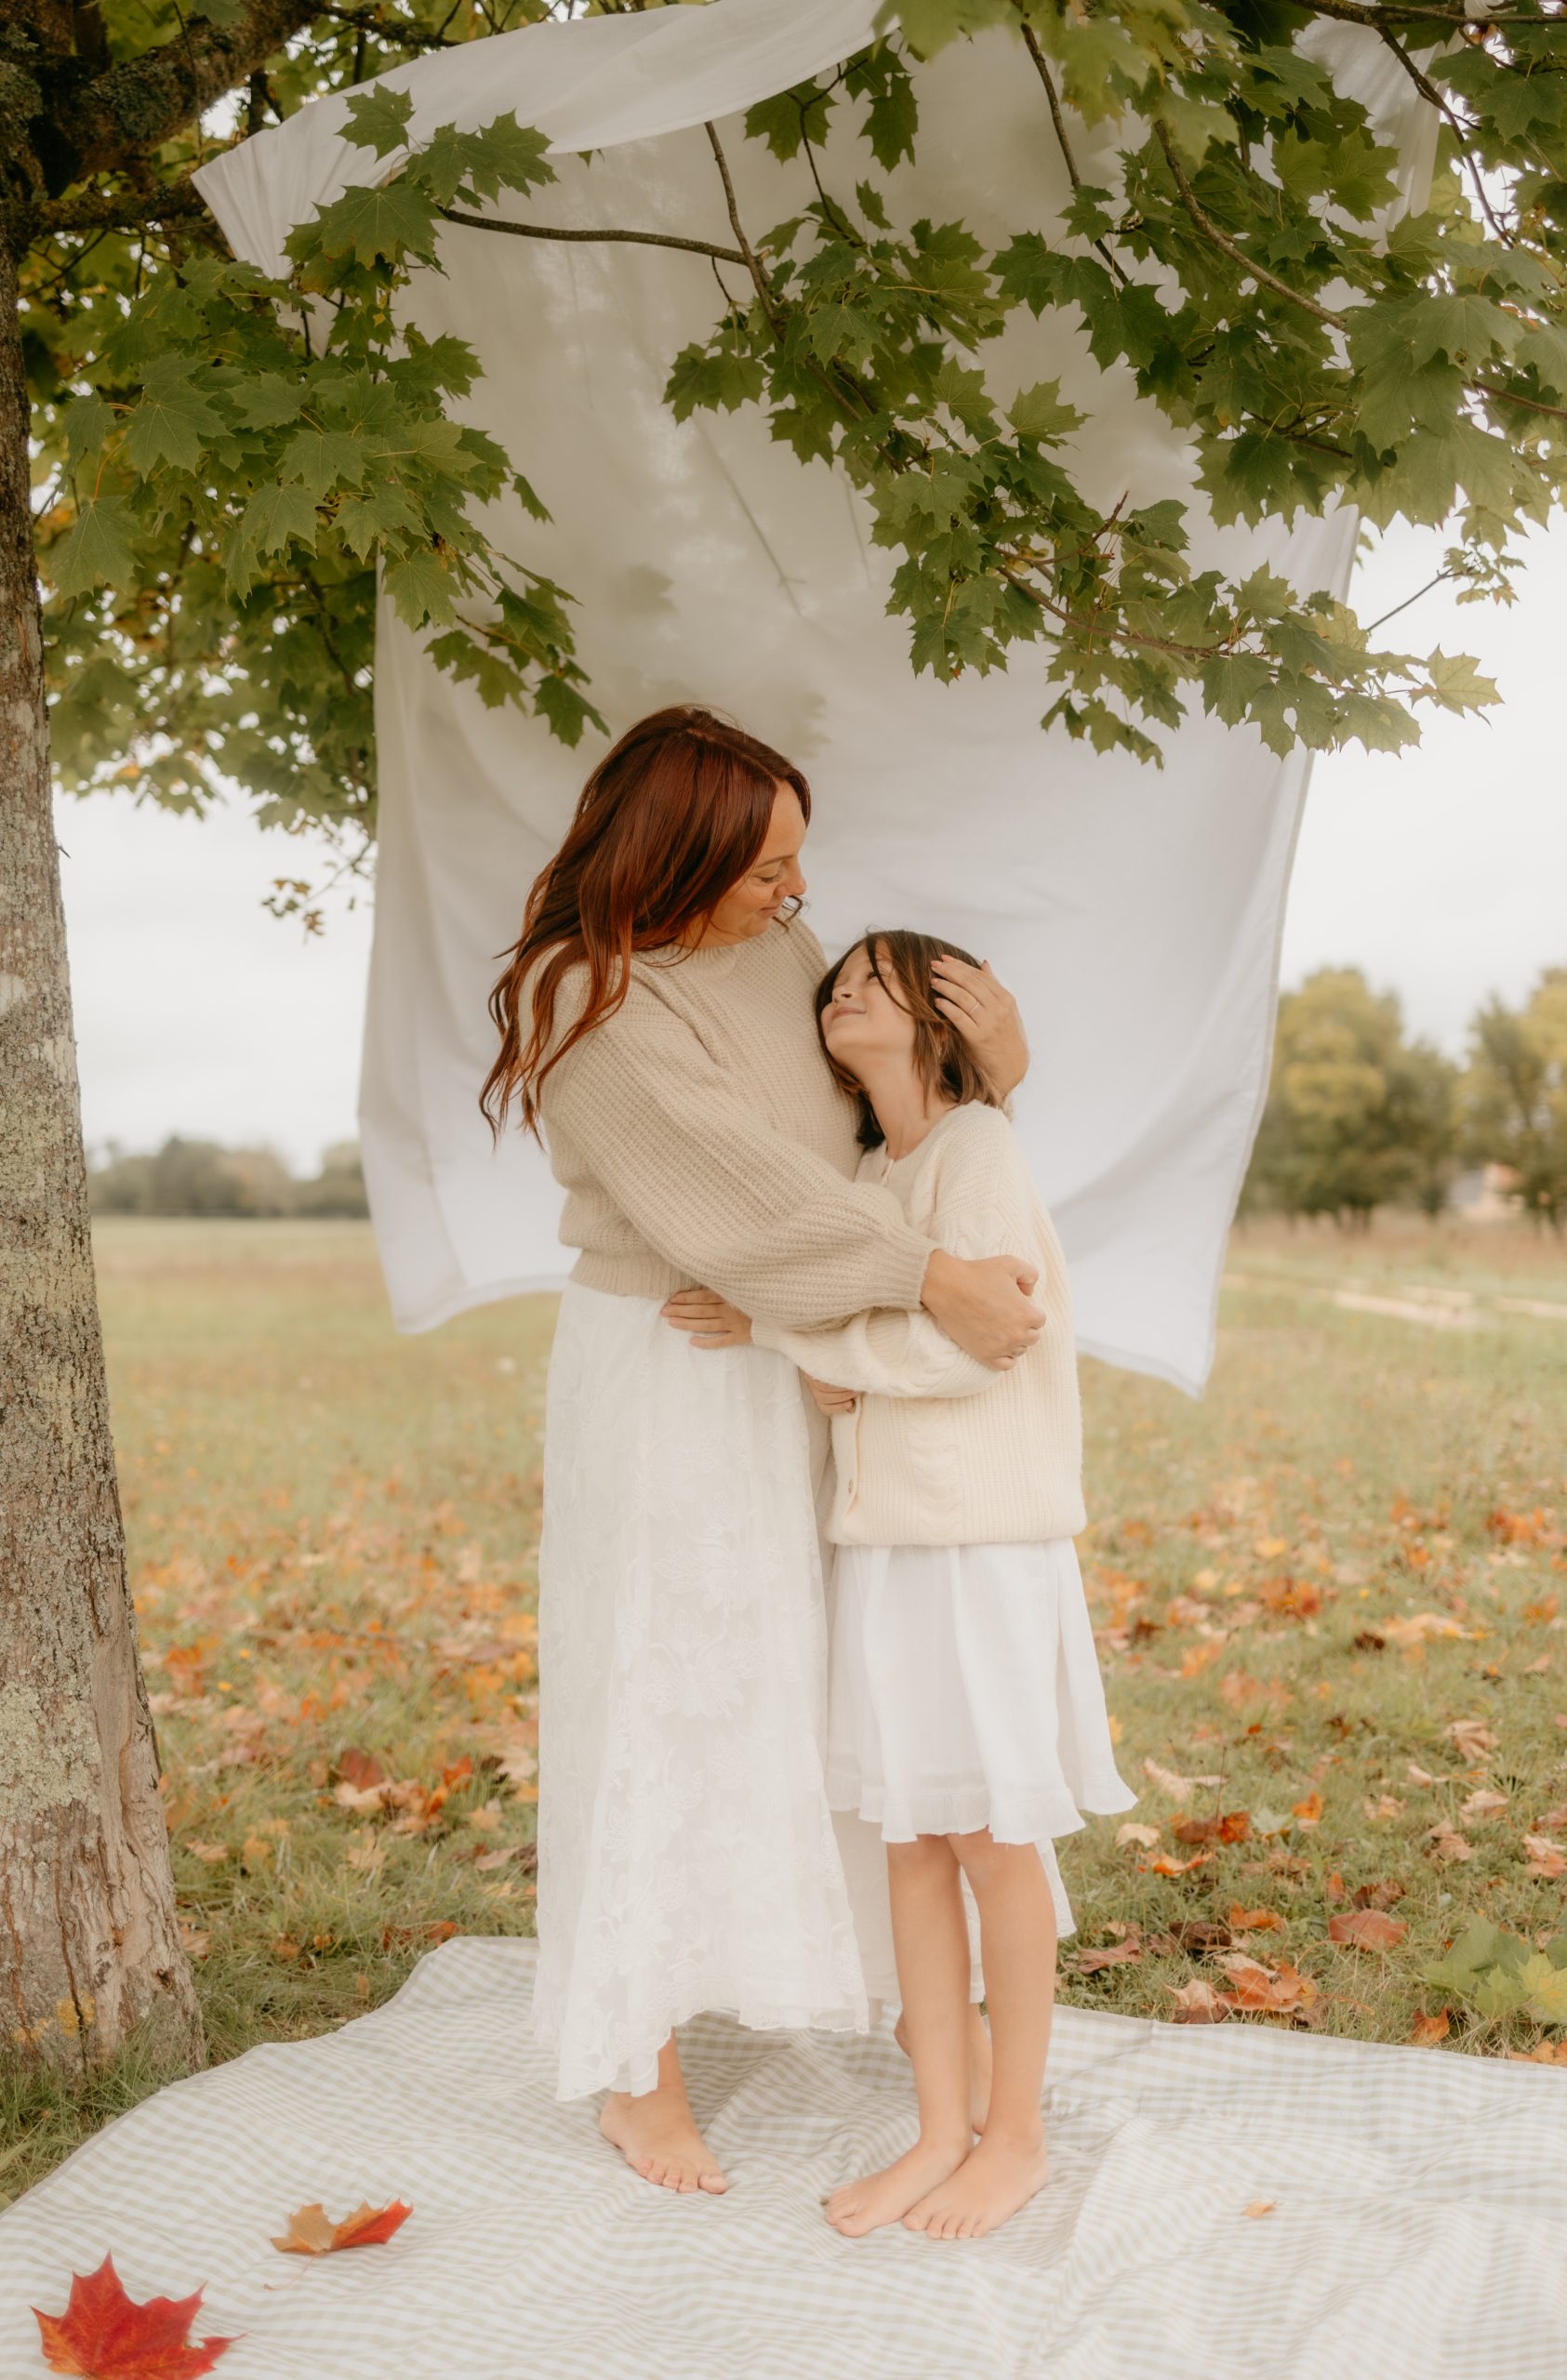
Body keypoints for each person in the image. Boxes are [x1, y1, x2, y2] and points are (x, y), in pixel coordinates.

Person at [481, 707, 1043, 2196]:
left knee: (798, 1674)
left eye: (799, 861)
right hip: (675, 1362)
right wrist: (928, 1278)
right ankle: (636, 2072)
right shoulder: (585, 989)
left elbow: (873, 1129)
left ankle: (827, 1978)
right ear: (678, 850)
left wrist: (998, 1069)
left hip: (798, 1338)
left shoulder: (774, 947)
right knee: (661, 1683)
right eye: (767, 866)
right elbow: (733, 1190)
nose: (798, 893)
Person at [679, 930, 1135, 2240]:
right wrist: (836, 1359)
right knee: (912, 1842)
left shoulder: (977, 1148)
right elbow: (887, 1345)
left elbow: (980, 1343)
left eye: (877, 981)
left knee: (991, 1842)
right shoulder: (875, 1173)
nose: (845, 995)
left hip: (978, 1550)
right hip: (884, 1545)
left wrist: (799, 1340)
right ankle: (940, 2128)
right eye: (838, 984)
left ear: (941, 1012)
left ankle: (1016, 2138)